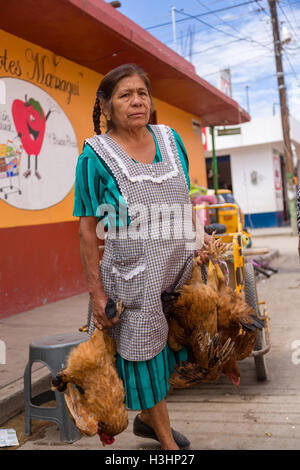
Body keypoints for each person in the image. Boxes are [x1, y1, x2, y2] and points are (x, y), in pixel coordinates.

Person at [73, 64, 208, 450]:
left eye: (142, 93)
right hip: (132, 276)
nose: (137, 102)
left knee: (175, 348)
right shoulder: (95, 157)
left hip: (177, 269)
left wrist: (198, 241)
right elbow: (87, 228)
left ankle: (149, 418)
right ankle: (169, 444)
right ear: (106, 105)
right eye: (125, 95)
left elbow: (186, 198)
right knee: (146, 355)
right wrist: (96, 294)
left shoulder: (170, 139)